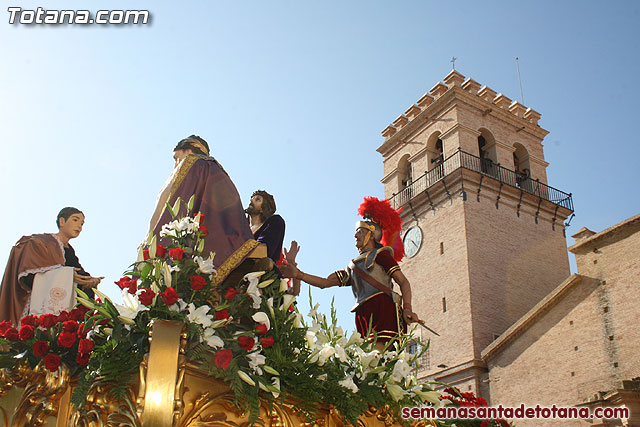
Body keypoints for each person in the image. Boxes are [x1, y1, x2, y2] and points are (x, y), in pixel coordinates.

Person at [280, 197, 418, 349]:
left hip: (382, 309)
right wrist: (298, 274)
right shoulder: (353, 265)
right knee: (366, 360)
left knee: (377, 358)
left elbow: (403, 282)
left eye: (360, 231)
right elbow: (326, 283)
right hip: (362, 314)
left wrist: (407, 308)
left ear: (371, 234)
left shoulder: (381, 255)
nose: (355, 235)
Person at [148, 135, 265, 286]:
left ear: (189, 151)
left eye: (176, 158)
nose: (176, 164)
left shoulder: (191, 164)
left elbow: (163, 208)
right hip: (223, 240)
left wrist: (150, 239)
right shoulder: (217, 170)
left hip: (186, 244)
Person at [0, 207, 103, 325]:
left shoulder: (69, 251)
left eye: (82, 224)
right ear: (62, 221)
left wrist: (89, 281)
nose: (79, 227)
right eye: (75, 220)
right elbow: (28, 277)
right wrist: (68, 276)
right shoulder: (40, 242)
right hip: (35, 304)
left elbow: (78, 272)